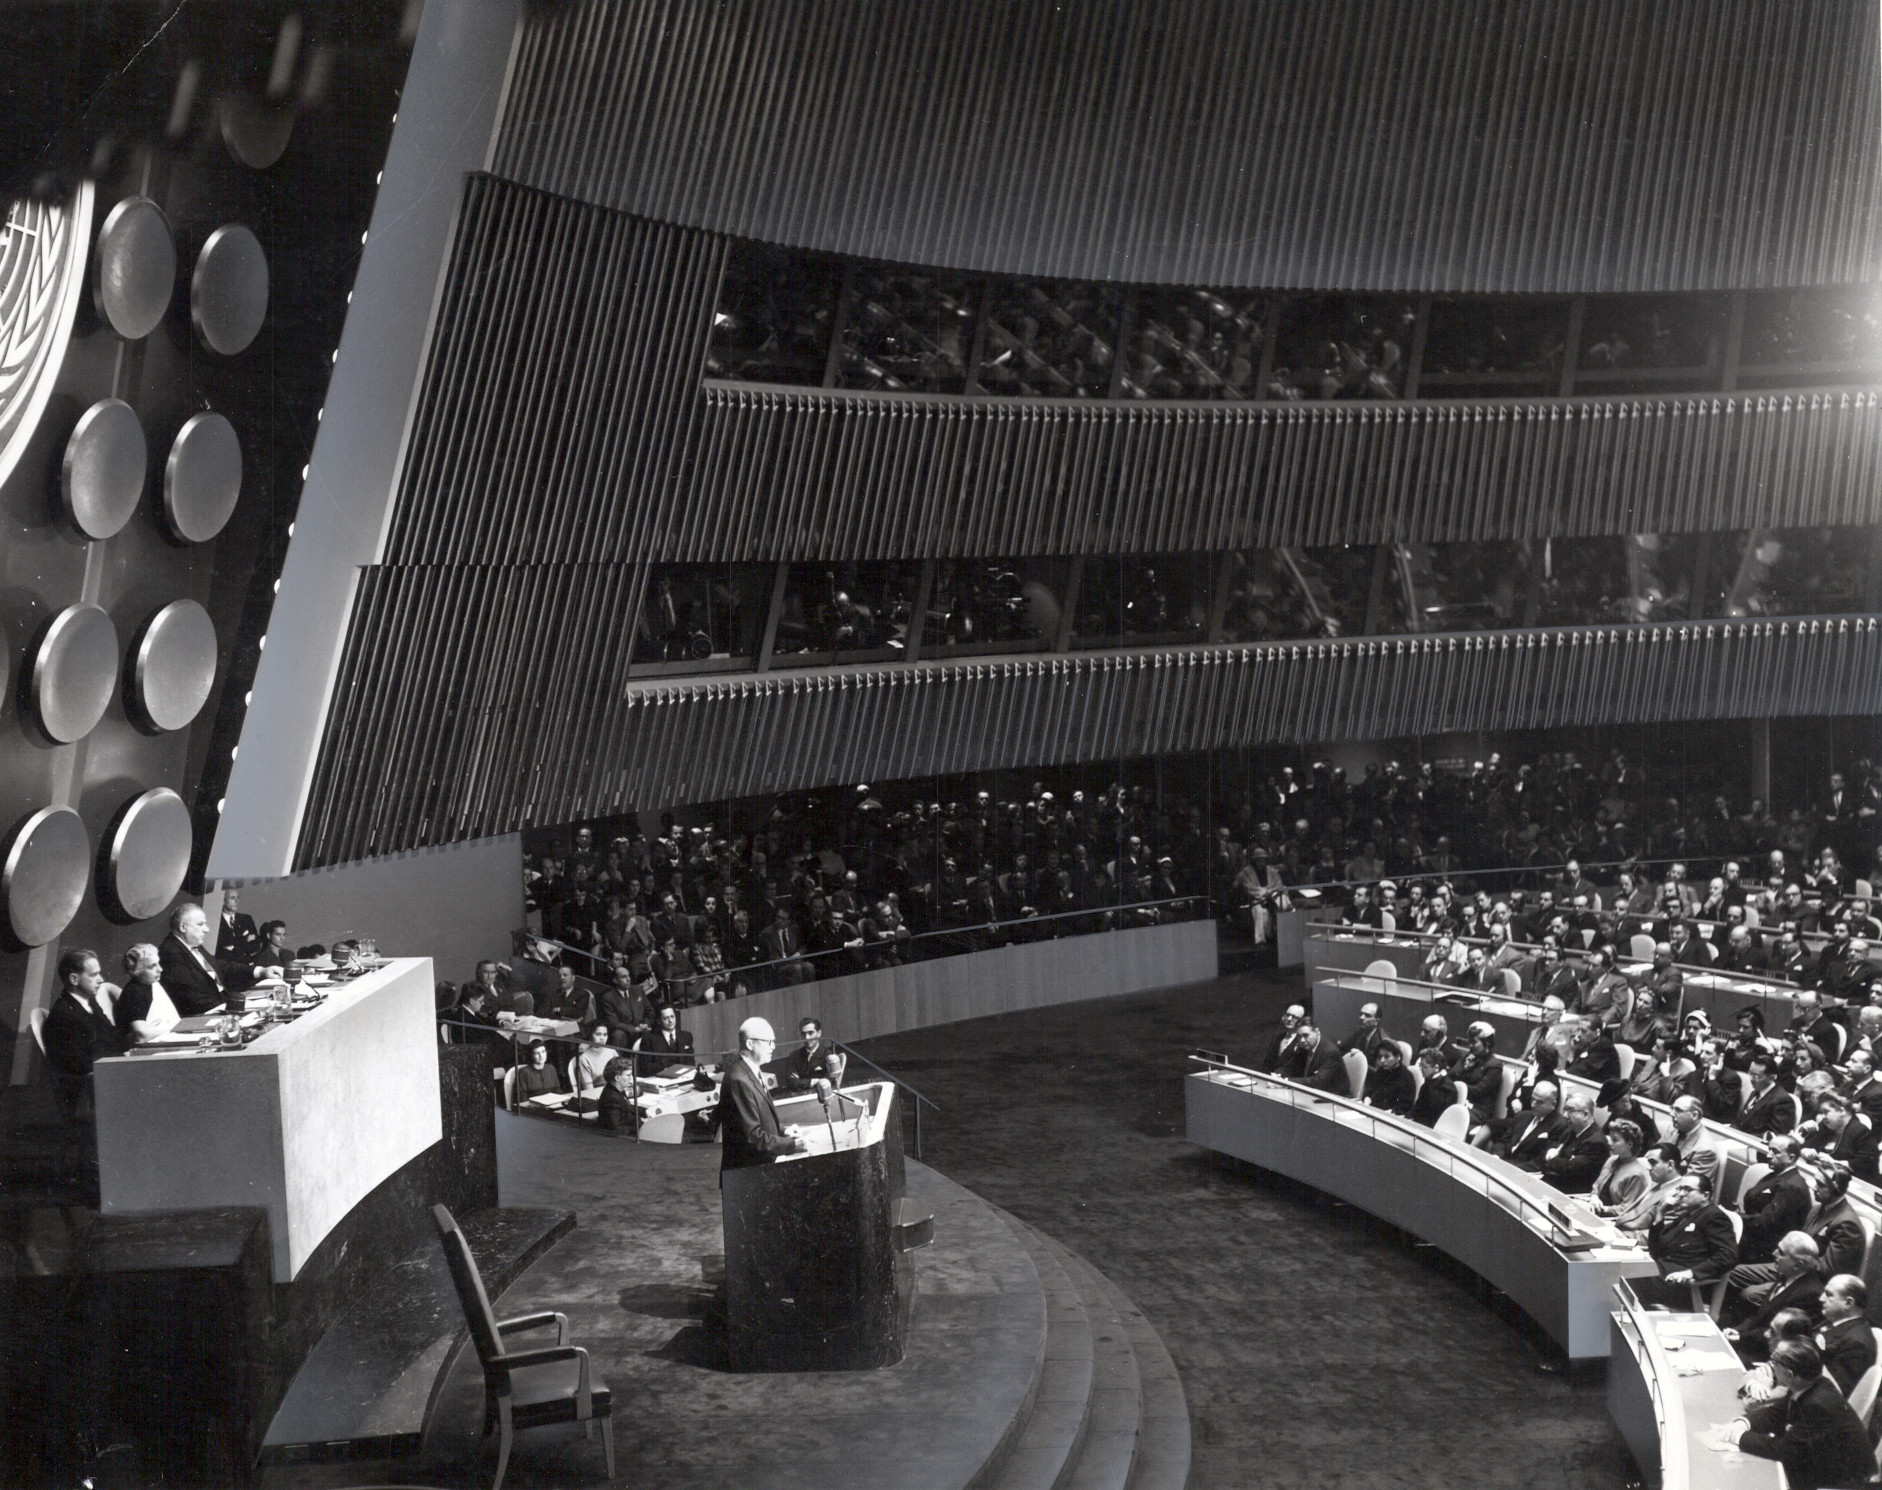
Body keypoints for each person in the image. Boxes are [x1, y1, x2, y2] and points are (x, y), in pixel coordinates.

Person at [1731, 1339, 1875, 1490]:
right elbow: (1775, 1413)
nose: (1771, 1365)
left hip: (1842, 1481)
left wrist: (1739, 1437)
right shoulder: (1810, 1384)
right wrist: (1743, 1423)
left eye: (1775, 1361)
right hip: (1824, 1461)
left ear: (1789, 1374)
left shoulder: (1818, 1405)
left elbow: (1786, 1450)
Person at [41, 948, 125, 1119]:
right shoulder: (63, 1014)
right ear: (74, 979)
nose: (101, 980)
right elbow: (78, 1063)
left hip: (107, 1072)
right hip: (88, 1089)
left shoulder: (88, 1002)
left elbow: (111, 1035)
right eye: (93, 975)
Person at [1635, 1174, 1740, 1310]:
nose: (1681, 1194)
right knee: (1622, 1271)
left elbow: (1729, 1255)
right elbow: (1656, 1251)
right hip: (1662, 1274)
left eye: (1687, 1189)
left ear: (1705, 1196)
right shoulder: (1688, 1215)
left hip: (1684, 1285)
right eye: (1679, 1189)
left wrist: (1691, 1273)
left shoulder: (1714, 1217)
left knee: (1621, 1276)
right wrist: (1660, 1213)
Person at [716, 1016, 806, 1169]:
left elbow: (756, 1122)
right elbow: (752, 1136)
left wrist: (783, 1131)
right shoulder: (739, 1080)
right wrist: (791, 1145)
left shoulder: (750, 1071)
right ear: (750, 1044)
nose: (773, 1047)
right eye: (768, 1042)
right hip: (748, 1173)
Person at [159, 903, 278, 1016]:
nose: (207, 929)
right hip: (208, 1014)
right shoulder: (169, 952)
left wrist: (261, 971)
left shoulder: (192, 944)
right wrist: (233, 1008)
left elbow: (220, 966)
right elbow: (191, 997)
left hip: (223, 1005)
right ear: (183, 927)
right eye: (200, 924)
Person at [1725, 1233, 1825, 1360]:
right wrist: (1739, 1330)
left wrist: (1742, 1337)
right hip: (1754, 1341)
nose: (1774, 1253)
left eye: (1781, 1253)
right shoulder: (1788, 1275)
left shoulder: (1810, 1294)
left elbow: (1782, 1336)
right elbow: (1760, 1316)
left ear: (1798, 1265)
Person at [1739, 1136, 1813, 1264]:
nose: (1768, 1155)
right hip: (1752, 1238)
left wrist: (1737, 1218)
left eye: (1775, 1151)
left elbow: (1765, 1223)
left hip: (1764, 1250)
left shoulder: (1792, 1186)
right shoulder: (1777, 1175)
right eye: (1769, 1150)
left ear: (1791, 1158)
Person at [1815, 1275, 1877, 1396]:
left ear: (1848, 1303)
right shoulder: (1837, 1322)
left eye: (1829, 1294)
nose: (1821, 1298)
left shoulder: (1857, 1344)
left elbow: (1834, 1393)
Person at [1538, 1091, 1608, 1194]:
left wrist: (1553, 1158)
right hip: (1552, 1182)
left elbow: (1570, 1170)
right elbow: (1546, 1152)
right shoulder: (1571, 1130)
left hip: (1569, 1193)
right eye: (1565, 1110)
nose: (1565, 1115)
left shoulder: (1597, 1142)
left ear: (1585, 1115)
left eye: (1570, 1110)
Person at [1604, 1141, 1683, 1232]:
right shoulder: (1655, 1183)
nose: (1648, 1168)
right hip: (1617, 1226)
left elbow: (1661, 1235)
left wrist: (1620, 1237)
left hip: (1629, 1239)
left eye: (1653, 1163)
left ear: (1670, 1165)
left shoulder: (1678, 1194)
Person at [112, 942, 179, 1045]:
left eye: (158, 963)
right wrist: (172, 1027)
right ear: (137, 970)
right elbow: (141, 1036)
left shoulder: (151, 985)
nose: (160, 969)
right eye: (152, 966)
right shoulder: (135, 992)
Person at [1588, 1119, 1651, 1210]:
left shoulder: (1637, 1174)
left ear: (1630, 1144)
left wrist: (1603, 1209)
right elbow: (1596, 1186)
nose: (1609, 1143)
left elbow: (1626, 1209)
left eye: (1615, 1140)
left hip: (1611, 1217)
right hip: (1594, 1206)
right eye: (1610, 1138)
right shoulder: (1611, 1160)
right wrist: (1594, 1197)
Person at [774, 1017, 844, 1097]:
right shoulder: (794, 1056)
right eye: (803, 1034)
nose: (806, 1037)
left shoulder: (828, 1056)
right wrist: (814, 1081)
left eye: (810, 1033)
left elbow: (828, 1084)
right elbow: (790, 1082)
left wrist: (800, 1081)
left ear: (819, 1033)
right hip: (799, 1099)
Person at [1667, 1095, 1722, 1192]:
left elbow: (1687, 1188)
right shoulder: (1672, 1129)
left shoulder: (1706, 1150)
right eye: (1672, 1108)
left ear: (1694, 1115)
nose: (1671, 1113)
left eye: (1678, 1110)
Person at [634, 1005, 695, 1077]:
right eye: (666, 1018)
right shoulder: (649, 1039)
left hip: (683, 1077)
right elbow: (646, 1067)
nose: (670, 1021)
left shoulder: (686, 1036)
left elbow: (691, 1062)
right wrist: (666, 1070)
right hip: (660, 1078)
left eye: (672, 1017)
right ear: (659, 1021)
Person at [1361, 1039, 1416, 1116]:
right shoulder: (1381, 1071)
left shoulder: (1407, 1078)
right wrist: (1367, 1098)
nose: (1382, 1060)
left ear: (1398, 1057)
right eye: (1380, 1056)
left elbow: (1404, 1108)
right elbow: (1371, 1092)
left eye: (1387, 1056)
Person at [1409, 1047, 1456, 1128]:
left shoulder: (1447, 1088)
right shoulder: (1428, 1083)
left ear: (1436, 1068)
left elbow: (1434, 1116)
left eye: (1424, 1066)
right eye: (1420, 1065)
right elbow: (1416, 1110)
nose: (1420, 1069)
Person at [216, 890, 261, 965]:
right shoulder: (216, 921)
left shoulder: (246, 919)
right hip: (225, 966)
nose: (237, 901)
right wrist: (245, 940)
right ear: (223, 900)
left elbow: (256, 945)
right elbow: (218, 948)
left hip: (245, 965)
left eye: (238, 898)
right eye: (233, 898)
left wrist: (232, 947)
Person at [597, 1056, 639, 1135]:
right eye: (628, 1075)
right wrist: (640, 1126)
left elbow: (629, 1109)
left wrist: (647, 1111)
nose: (632, 1078)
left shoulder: (618, 1090)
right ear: (617, 1077)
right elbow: (617, 1128)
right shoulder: (611, 1098)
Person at [573, 1024, 617, 1089]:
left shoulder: (611, 1051)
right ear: (590, 1035)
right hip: (598, 1093)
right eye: (598, 1034)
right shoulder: (584, 1058)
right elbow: (588, 1088)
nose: (602, 1038)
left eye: (605, 1035)